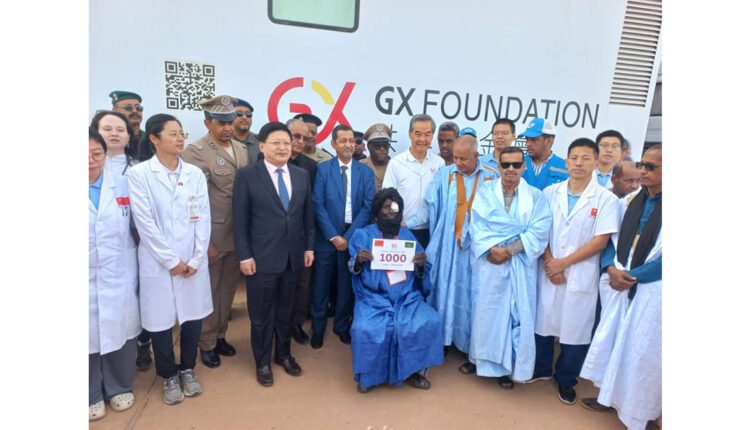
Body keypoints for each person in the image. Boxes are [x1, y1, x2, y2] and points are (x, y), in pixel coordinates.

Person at [528, 138, 619, 406]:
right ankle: (541, 368)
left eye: (586, 158)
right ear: (566, 161)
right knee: (543, 320)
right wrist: (550, 261)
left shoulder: (606, 199)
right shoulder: (550, 193)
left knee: (577, 328)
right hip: (548, 267)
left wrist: (563, 263)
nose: (579, 163)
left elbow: (600, 241)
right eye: (574, 158)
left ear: (596, 163)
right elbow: (540, 230)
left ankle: (566, 379)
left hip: (580, 272)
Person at [128, 114, 212, 405]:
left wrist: (197, 258)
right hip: (159, 262)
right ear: (154, 138)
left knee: (192, 316)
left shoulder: (194, 173)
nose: (180, 139)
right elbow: (145, 223)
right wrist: (171, 260)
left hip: (192, 260)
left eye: (181, 133)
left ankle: (188, 368)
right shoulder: (139, 174)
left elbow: (203, 218)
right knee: (160, 321)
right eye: (172, 133)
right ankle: (168, 375)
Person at [580, 145, 662, 430]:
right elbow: (610, 241)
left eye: (651, 167)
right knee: (614, 342)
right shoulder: (629, 201)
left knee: (642, 352)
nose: (643, 171)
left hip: (651, 292)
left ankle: (640, 413)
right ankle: (607, 398)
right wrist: (610, 268)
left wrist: (631, 276)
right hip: (620, 284)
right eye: (642, 165)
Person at [233, 122, 315, 387]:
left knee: (286, 311)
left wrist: (309, 247)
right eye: (276, 143)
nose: (282, 148)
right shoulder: (247, 175)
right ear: (262, 146)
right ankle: (262, 362)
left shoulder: (300, 175)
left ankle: (284, 354)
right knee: (261, 315)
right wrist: (244, 256)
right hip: (261, 259)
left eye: (286, 143)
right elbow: (240, 220)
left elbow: (307, 216)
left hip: (293, 257)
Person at [404, 135, 498, 363]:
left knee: (472, 294)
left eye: (463, 159)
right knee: (444, 291)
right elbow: (429, 207)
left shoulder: (491, 177)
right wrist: (408, 223)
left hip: (478, 250)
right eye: (455, 158)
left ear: (476, 155)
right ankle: (443, 340)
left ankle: (467, 344)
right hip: (447, 247)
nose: (458, 162)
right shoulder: (444, 175)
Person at [469, 146, 552, 389]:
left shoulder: (536, 196)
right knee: (488, 313)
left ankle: (508, 369)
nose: (511, 169)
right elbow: (477, 226)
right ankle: (483, 361)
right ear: (499, 166)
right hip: (490, 263)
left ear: (524, 166)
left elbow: (539, 231)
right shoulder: (485, 192)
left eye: (516, 164)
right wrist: (492, 249)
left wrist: (509, 250)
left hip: (519, 263)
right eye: (506, 164)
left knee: (516, 315)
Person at [348, 188, 444, 392]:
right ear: (377, 212)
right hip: (373, 298)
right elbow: (352, 267)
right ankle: (369, 376)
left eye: (395, 207)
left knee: (430, 321)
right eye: (386, 207)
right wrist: (358, 260)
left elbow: (422, 272)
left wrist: (420, 265)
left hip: (406, 297)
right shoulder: (364, 235)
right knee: (364, 328)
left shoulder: (407, 236)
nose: (391, 211)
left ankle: (414, 371)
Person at [182, 95, 249, 369]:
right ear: (207, 123)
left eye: (230, 121)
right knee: (209, 290)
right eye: (221, 123)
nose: (227, 127)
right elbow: (192, 202)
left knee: (228, 289)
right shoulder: (196, 152)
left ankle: (221, 335)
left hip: (237, 233)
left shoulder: (241, 148)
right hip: (212, 235)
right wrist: (206, 241)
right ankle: (206, 342)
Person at [88, 127, 140, 421]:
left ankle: (119, 385)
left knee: (121, 330)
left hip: (118, 272)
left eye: (96, 154)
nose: (91, 161)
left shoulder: (122, 185)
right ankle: (89, 393)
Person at [311, 124, 375, 348]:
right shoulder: (323, 169)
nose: (348, 145)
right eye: (343, 141)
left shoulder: (365, 172)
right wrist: (333, 236)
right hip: (326, 237)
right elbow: (317, 204)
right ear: (333, 144)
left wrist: (348, 237)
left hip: (352, 236)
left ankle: (341, 326)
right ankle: (318, 328)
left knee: (346, 286)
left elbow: (368, 207)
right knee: (321, 285)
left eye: (352, 141)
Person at [382, 114, 445, 248]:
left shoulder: (439, 163)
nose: (422, 139)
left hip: (430, 230)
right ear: (410, 134)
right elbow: (388, 197)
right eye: (418, 134)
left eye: (427, 134)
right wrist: (396, 221)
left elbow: (440, 197)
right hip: (402, 228)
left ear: (432, 136)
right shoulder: (396, 163)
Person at [283, 118, 319, 345]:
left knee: (301, 284)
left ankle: (295, 323)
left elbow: (311, 207)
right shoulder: (265, 161)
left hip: (301, 236)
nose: (300, 141)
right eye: (295, 136)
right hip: (274, 238)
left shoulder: (310, 166)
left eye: (305, 138)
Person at [518, 117, 569, 190]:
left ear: (549, 141)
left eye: (534, 140)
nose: (528, 144)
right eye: (527, 139)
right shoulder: (516, 163)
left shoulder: (565, 167)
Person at [91, 110, 138, 176]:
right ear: (95, 133)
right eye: (107, 129)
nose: (114, 134)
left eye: (120, 130)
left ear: (128, 137)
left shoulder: (141, 168)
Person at [110, 90, 145, 158]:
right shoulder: (106, 138)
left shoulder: (150, 140)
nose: (135, 111)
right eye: (128, 108)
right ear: (115, 111)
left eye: (138, 108)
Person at [360, 123, 394, 193]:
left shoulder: (396, 166)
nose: (382, 149)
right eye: (377, 145)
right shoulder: (359, 166)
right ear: (369, 147)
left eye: (385, 145)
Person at [232, 97, 260, 163]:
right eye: (239, 114)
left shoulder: (261, 141)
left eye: (248, 114)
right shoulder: (223, 141)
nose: (244, 117)